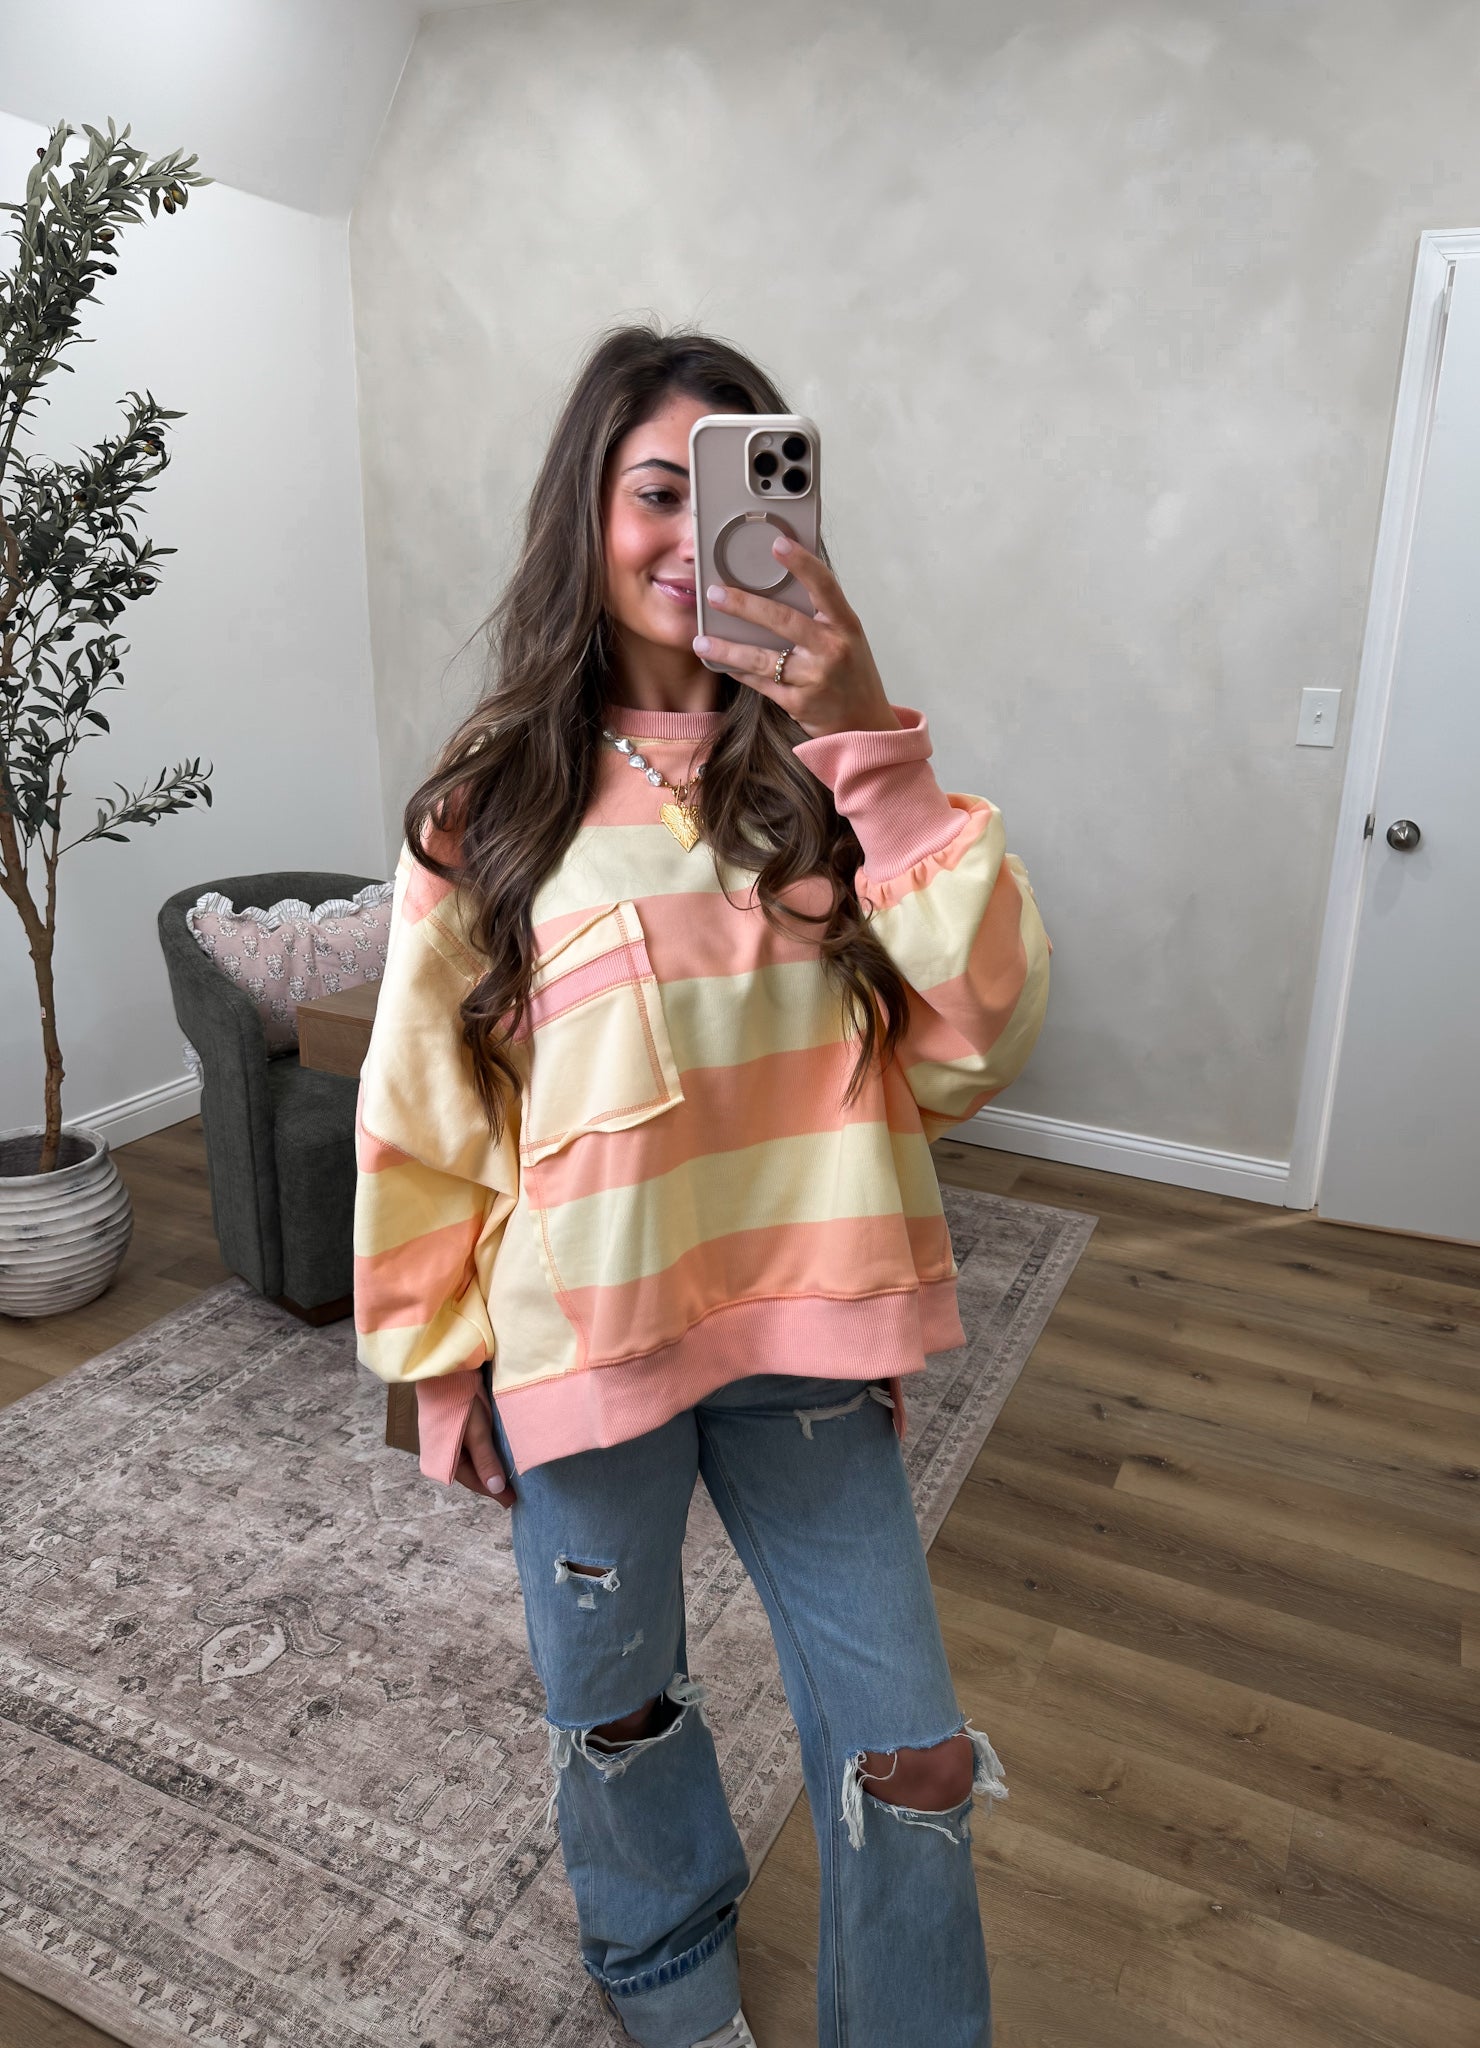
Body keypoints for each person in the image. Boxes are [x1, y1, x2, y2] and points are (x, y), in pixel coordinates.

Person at [353, 322, 1052, 2048]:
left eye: (740, 496)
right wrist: (439, 1365)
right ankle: (664, 1983)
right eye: (656, 491)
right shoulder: (486, 810)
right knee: (621, 1714)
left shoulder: (836, 785)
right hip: (584, 1347)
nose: (692, 537)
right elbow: (423, 1116)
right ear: (584, 518)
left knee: (908, 1753)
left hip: (809, 1346)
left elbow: (974, 1045)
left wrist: (867, 734)